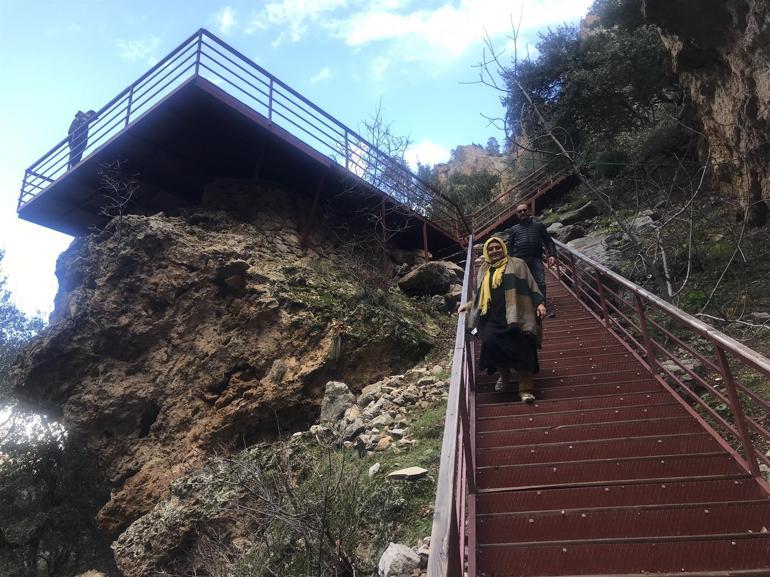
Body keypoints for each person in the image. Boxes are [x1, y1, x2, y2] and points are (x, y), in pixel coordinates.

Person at [459, 236, 546, 403]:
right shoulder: (484, 269)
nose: (494, 251)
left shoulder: (518, 264)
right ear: (486, 252)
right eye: (490, 249)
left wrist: (539, 303)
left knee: (524, 348)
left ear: (503, 248)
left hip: (517, 315)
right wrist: (469, 305)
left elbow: (531, 284)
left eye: (497, 248)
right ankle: (504, 375)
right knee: (491, 345)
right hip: (492, 317)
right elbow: (479, 294)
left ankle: (525, 390)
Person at [506, 203, 556, 305]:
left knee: (540, 282)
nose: (522, 213)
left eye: (524, 210)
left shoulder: (539, 226)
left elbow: (549, 241)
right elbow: (509, 246)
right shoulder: (514, 229)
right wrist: (508, 261)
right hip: (519, 261)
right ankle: (526, 306)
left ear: (529, 211)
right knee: (521, 283)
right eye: (520, 211)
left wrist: (552, 255)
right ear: (517, 214)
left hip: (536, 258)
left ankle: (542, 304)